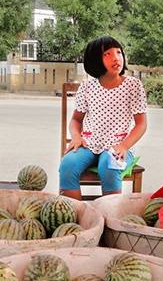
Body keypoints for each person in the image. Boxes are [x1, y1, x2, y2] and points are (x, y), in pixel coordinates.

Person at [60, 36, 148, 200]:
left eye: (118, 52)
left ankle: (109, 216)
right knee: (68, 164)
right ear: (95, 60)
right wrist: (76, 137)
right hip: (89, 144)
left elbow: (141, 124)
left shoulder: (133, 86)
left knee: (110, 166)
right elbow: (76, 120)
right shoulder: (87, 87)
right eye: (107, 54)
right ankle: (75, 215)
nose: (116, 58)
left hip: (118, 146)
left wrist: (124, 146)